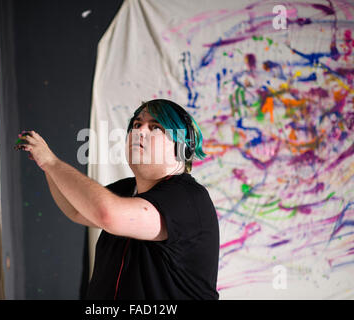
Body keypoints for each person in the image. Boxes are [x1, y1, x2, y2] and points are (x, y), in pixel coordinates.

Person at [16, 99, 220, 300]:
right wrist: (47, 168)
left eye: (155, 127)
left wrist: (51, 162)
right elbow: (76, 209)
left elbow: (108, 214)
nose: (140, 131)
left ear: (182, 147)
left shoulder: (190, 198)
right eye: (137, 124)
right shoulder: (127, 189)